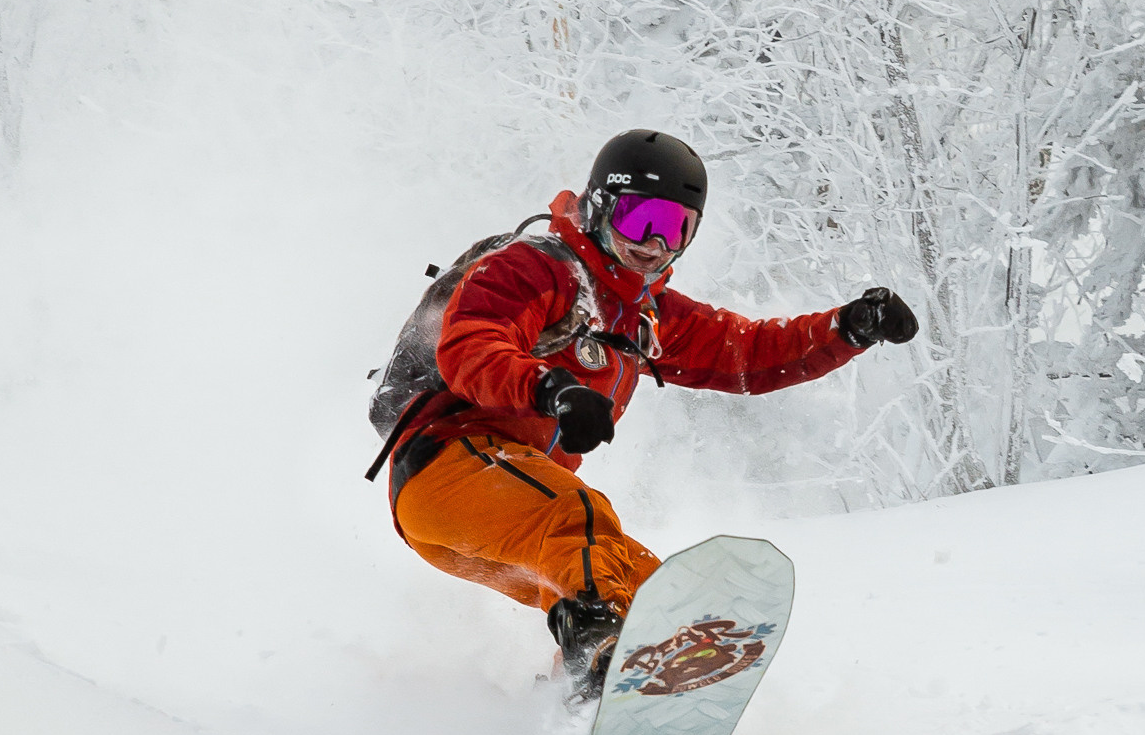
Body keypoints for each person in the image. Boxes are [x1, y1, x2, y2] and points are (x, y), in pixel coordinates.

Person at [367, 130, 920, 696]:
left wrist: (846, 328)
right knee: (578, 521)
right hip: (446, 466)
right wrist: (549, 388)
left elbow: (747, 352)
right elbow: (470, 345)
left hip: (496, 513)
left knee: (641, 585)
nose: (655, 243)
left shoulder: (641, 314)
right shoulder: (532, 268)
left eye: (677, 228)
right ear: (603, 205)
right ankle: (597, 659)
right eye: (640, 219)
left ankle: (574, 704)